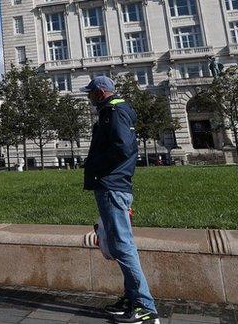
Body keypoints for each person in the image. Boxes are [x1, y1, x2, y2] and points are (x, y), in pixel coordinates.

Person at [82, 75, 160, 324]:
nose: (89, 97)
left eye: (91, 93)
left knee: (123, 246)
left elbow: (123, 147)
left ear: (101, 92)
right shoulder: (114, 110)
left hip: (112, 185)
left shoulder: (113, 112)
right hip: (112, 184)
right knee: (118, 245)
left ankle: (144, 306)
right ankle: (132, 297)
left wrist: (97, 167)